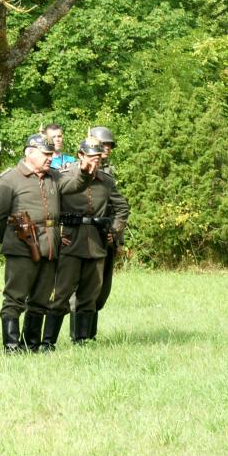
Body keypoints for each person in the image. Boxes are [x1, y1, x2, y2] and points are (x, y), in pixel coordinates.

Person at [0, 134, 66, 352]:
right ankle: (12, 346)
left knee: (41, 299)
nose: (50, 158)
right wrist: (10, 243)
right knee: (15, 297)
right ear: (29, 153)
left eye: (51, 154)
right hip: (20, 246)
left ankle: (31, 344)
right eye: (45, 154)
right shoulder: (9, 179)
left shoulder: (55, 178)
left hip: (50, 245)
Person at [53, 138, 129, 347]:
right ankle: (48, 341)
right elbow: (52, 207)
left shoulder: (106, 180)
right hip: (70, 240)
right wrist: (56, 233)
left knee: (90, 295)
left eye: (97, 158)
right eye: (90, 158)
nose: (94, 162)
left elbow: (122, 208)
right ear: (80, 156)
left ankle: (83, 340)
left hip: (96, 242)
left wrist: (114, 230)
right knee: (62, 294)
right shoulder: (64, 176)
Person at [86, 125, 121, 338]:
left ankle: (90, 334)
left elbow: (119, 207)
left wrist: (116, 234)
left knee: (102, 289)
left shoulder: (110, 173)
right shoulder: (82, 170)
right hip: (88, 234)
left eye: (109, 145)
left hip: (107, 233)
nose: (107, 148)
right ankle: (81, 335)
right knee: (86, 288)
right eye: (103, 145)